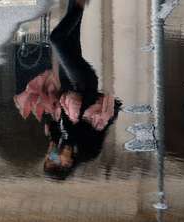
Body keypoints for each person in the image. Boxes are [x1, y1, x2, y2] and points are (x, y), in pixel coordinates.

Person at [13, 0, 120, 178]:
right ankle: (78, 4)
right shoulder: (86, 150)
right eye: (53, 161)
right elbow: (86, 123)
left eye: (48, 159)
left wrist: (54, 139)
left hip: (68, 87)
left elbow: (59, 118)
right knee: (57, 39)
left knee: (71, 37)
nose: (51, 157)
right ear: (66, 164)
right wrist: (65, 143)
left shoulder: (61, 140)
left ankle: (74, 3)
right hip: (84, 86)